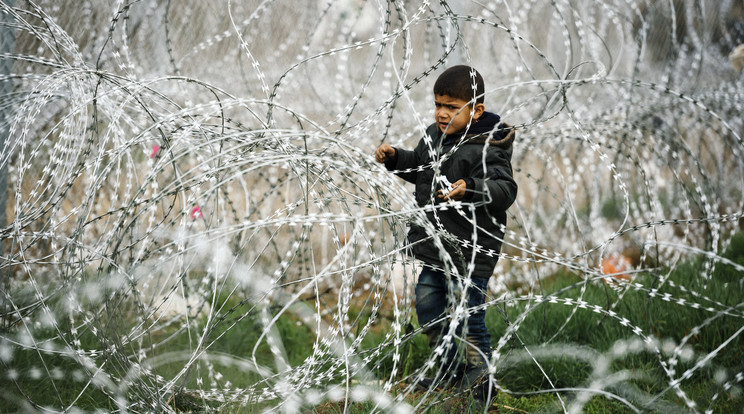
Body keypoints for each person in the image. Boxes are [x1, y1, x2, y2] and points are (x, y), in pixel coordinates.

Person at [374, 65, 517, 412]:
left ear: (475, 111)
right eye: (438, 104)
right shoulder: (433, 138)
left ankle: (481, 382)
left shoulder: (487, 147)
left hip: (471, 251)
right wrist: (396, 159)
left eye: (452, 107)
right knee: (428, 308)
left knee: (469, 317)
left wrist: (471, 189)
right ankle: (449, 370)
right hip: (436, 248)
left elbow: (505, 188)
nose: (441, 113)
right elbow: (421, 170)